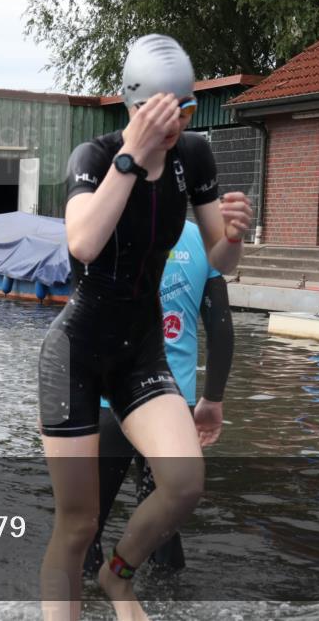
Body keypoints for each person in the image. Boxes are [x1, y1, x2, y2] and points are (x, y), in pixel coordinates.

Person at [38, 34, 252, 621]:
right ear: (135, 106)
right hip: (76, 355)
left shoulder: (194, 157)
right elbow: (83, 243)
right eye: (164, 112)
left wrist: (234, 236)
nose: (176, 124)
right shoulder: (94, 156)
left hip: (141, 350)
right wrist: (130, 157)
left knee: (184, 483)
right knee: (78, 524)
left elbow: (220, 259)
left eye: (186, 110)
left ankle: (118, 576)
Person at [82, 219, 235, 578]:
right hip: (172, 403)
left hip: (110, 403)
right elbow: (221, 330)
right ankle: (167, 596)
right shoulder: (203, 241)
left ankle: (86, 596)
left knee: (86, 523)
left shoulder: (105, 230)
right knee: (164, 522)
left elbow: (81, 322)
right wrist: (212, 398)